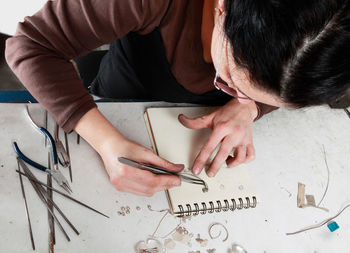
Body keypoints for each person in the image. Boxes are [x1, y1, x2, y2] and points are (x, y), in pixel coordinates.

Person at [5, 0, 350, 196]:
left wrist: (249, 109)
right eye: (230, 79)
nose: (236, 96)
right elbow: (30, 47)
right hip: (121, 94)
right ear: (222, 8)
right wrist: (107, 141)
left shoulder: (325, 39)